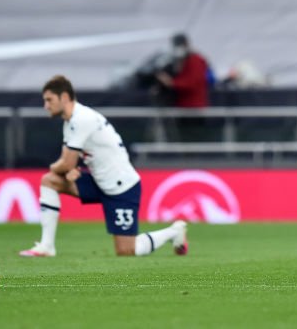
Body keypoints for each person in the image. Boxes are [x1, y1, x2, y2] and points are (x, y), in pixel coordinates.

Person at [20, 75, 187, 258]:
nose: (46, 106)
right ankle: (46, 246)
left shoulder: (82, 119)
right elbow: (69, 163)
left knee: (126, 250)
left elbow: (65, 162)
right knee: (50, 181)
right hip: (99, 182)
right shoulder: (70, 123)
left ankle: (173, 231)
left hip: (121, 187)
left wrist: (62, 167)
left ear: (65, 97)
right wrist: (69, 169)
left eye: (49, 100)